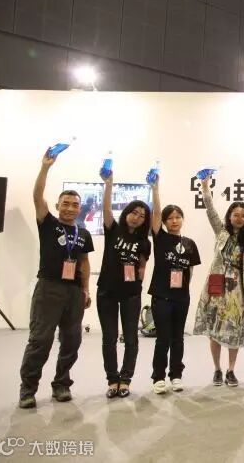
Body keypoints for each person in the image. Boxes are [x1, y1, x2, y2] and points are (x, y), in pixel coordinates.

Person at [19, 151, 94, 409]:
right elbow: (37, 196)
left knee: (72, 341)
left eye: (75, 205)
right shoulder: (47, 223)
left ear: (79, 208)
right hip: (48, 288)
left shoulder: (83, 233)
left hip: (74, 292)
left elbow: (84, 262)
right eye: (66, 203)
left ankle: (61, 384)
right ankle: (28, 389)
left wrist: (85, 289)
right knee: (40, 340)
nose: (70, 208)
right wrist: (45, 168)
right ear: (58, 205)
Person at [193, 176, 244, 387]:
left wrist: (234, 270)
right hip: (216, 286)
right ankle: (217, 369)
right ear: (229, 216)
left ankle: (231, 370)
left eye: (243, 215)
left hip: (236, 290)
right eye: (236, 214)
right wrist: (205, 187)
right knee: (215, 328)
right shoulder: (221, 232)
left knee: (233, 329)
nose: (240, 218)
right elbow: (210, 210)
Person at [97, 169, 152, 399]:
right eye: (133, 212)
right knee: (109, 338)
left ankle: (125, 379)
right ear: (127, 212)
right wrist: (109, 184)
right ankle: (112, 379)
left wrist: (138, 284)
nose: (136, 217)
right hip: (107, 291)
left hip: (131, 294)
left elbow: (142, 268)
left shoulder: (144, 242)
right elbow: (106, 209)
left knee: (131, 338)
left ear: (145, 221)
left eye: (142, 216)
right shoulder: (113, 230)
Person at [147, 170, 201, 395]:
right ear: (165, 221)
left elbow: (190, 270)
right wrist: (155, 189)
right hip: (161, 296)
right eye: (170, 218)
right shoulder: (160, 238)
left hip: (181, 297)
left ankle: (176, 375)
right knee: (163, 338)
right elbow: (156, 213)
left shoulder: (190, 243)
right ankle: (158, 377)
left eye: (178, 217)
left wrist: (183, 289)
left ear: (182, 219)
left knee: (178, 338)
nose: (174, 221)